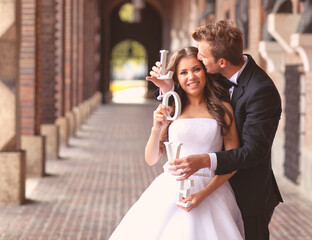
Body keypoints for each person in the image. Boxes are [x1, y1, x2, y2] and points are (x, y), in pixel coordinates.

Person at [149, 20, 283, 240]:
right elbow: (192, 85)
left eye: (202, 56)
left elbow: (253, 153)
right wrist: (167, 89)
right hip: (206, 187)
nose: (198, 58)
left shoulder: (262, 91)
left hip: (247, 193)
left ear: (221, 61)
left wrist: (204, 160)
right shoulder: (216, 70)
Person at [109, 47, 245, 240]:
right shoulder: (172, 107)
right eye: (183, 72)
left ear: (205, 70)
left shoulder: (223, 109)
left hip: (212, 192)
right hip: (171, 189)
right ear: (177, 77)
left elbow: (232, 162)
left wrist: (203, 194)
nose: (191, 77)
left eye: (196, 69)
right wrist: (156, 128)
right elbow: (151, 159)